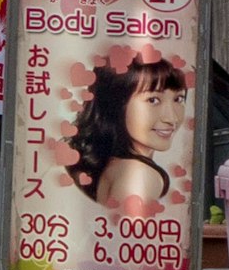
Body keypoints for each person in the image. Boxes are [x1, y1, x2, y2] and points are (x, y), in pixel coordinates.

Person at [63, 52, 194, 217]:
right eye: (153, 100)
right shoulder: (139, 175)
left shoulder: (113, 164)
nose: (172, 118)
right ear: (117, 104)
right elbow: (131, 240)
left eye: (179, 99)